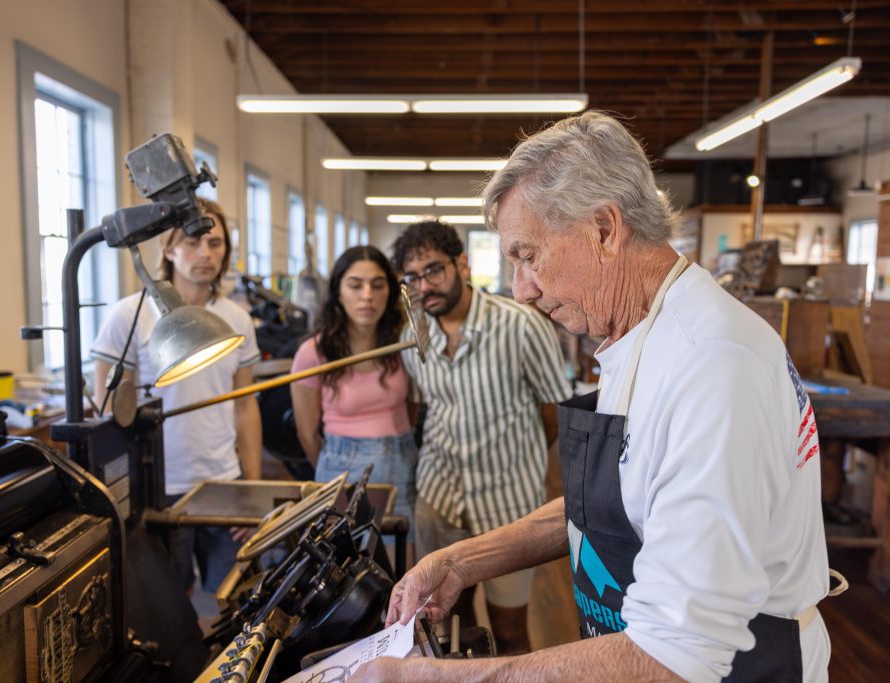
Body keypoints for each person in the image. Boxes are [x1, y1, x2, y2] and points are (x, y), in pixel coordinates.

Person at [356, 112, 834, 683]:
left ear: (604, 229)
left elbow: (676, 656)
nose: (522, 289)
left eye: (528, 255)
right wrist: (462, 559)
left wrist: (426, 678)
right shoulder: (642, 334)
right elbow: (620, 497)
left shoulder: (710, 364)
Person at [390, 220, 571, 654]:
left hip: (507, 505)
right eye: (412, 278)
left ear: (463, 264)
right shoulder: (413, 339)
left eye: (434, 270)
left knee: (509, 630)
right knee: (452, 627)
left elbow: (554, 414)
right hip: (440, 500)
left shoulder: (521, 326)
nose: (424, 286)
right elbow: (421, 408)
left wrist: (515, 462)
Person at [92, 198, 262, 595]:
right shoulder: (130, 315)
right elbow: (108, 410)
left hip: (224, 484)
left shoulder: (235, 320)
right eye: (192, 242)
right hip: (159, 487)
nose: (205, 253)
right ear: (167, 248)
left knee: (236, 602)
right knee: (172, 611)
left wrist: (251, 490)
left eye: (216, 244)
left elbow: (245, 405)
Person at [290, 246, 417, 556]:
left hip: (401, 463)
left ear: (390, 291)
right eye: (355, 284)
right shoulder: (314, 353)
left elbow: (413, 407)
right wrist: (336, 460)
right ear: (338, 292)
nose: (367, 295)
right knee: (345, 579)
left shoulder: (405, 343)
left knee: (402, 572)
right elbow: (307, 434)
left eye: (377, 284)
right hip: (340, 469)